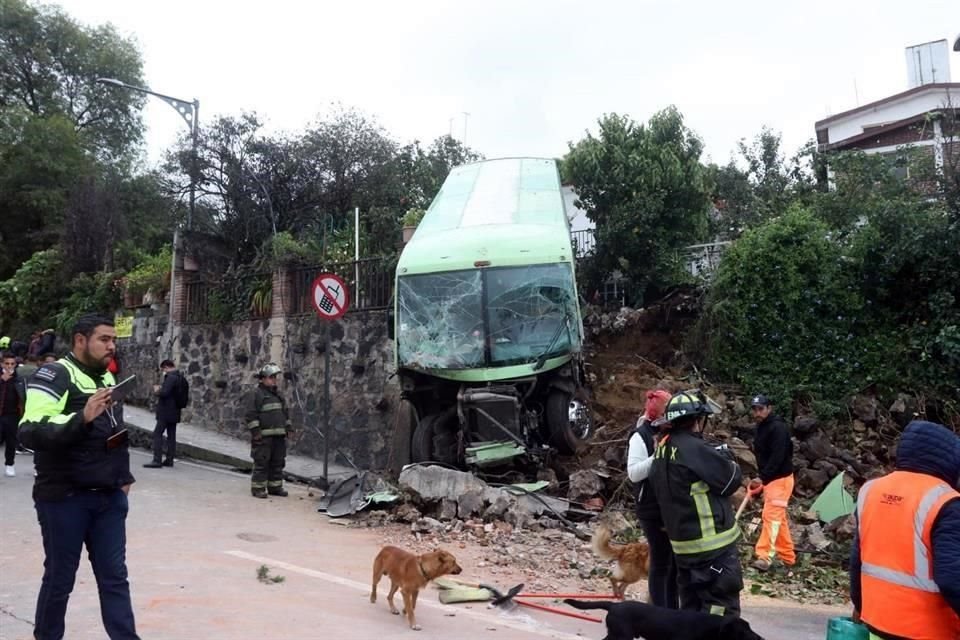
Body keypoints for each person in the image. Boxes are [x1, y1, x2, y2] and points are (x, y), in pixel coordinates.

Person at [18, 314, 140, 640]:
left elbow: (113, 432)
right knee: (60, 579)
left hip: (109, 498)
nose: (112, 346)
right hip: (64, 498)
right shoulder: (54, 374)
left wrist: (123, 477)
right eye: (104, 339)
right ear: (80, 340)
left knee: (115, 577)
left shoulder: (104, 379)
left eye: (113, 340)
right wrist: (81, 418)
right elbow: (30, 430)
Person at [850, 420, 960, 640]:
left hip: (878, 623)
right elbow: (952, 578)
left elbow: (857, 560)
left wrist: (859, 606)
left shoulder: (871, 491)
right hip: (930, 630)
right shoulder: (946, 502)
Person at [649, 389, 744, 617]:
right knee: (719, 614)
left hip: (684, 550)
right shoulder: (695, 449)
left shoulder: (663, 448)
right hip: (713, 551)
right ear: (696, 420)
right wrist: (726, 458)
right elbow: (731, 480)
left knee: (691, 613)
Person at [626, 388, 679, 609]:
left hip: (670, 506)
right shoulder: (641, 435)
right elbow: (634, 472)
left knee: (674, 563)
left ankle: (671, 609)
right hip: (651, 507)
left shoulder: (671, 433)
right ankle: (659, 612)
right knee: (660, 561)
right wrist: (659, 456)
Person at [747, 394, 795, 571]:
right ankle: (788, 557)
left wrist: (763, 477)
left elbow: (778, 455)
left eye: (761, 409)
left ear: (769, 408)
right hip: (771, 480)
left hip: (780, 479)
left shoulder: (778, 428)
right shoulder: (761, 427)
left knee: (771, 517)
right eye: (755, 409)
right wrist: (763, 478)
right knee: (778, 519)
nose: (757, 412)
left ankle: (764, 556)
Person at [245, 363, 295, 498]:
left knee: (278, 462)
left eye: (275, 377)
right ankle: (258, 489)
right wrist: (256, 432)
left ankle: (275, 487)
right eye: (271, 377)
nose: (274, 380)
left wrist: (289, 427)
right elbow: (251, 414)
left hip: (279, 436)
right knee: (262, 462)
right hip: (263, 437)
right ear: (262, 379)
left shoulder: (278, 395)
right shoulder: (256, 394)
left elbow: (285, 413)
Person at [143, 360, 183, 469]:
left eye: (163, 369)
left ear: (166, 367)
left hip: (166, 411)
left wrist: (157, 390)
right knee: (171, 435)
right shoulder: (179, 377)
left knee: (157, 434)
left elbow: (165, 393)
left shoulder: (171, 377)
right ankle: (169, 460)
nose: (163, 372)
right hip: (175, 410)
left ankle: (157, 460)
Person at [1, 352, 25, 476]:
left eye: (12, 364)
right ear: (2, 364)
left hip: (12, 415)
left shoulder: (19, 379)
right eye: (7, 363)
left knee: (11, 441)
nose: (10, 366)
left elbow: (23, 397)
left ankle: (10, 464)